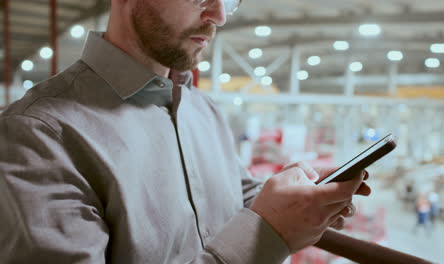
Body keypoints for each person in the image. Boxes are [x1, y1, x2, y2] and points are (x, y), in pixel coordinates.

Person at [0, 0, 371, 263]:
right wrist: (266, 236)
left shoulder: (202, 110)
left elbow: (233, 197)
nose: (219, 15)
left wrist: (298, 193)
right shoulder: (37, 136)